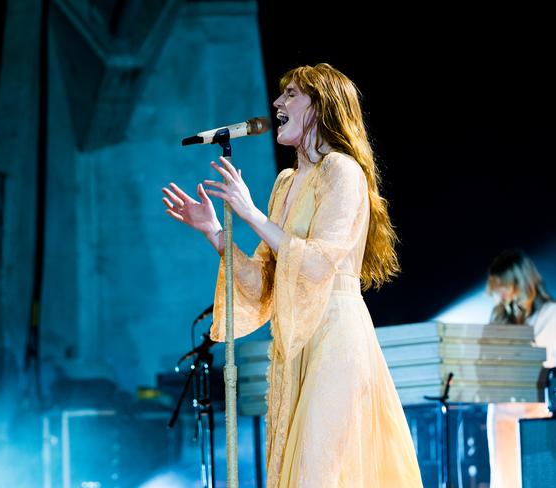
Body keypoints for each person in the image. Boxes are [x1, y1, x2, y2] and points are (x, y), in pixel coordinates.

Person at [162, 63, 423, 487]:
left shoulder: (342, 171)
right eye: (281, 95)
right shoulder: (286, 182)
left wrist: (249, 212)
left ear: (320, 107)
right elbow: (264, 283)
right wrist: (215, 231)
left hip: (335, 335)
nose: (277, 102)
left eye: (292, 95)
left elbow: (320, 263)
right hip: (293, 340)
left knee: (317, 470)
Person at [485, 249, 555, 488]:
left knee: (535, 477)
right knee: (505, 479)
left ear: (520, 282)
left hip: (533, 412)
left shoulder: (549, 314)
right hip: (502, 412)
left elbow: (546, 360)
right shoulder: (499, 318)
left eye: (504, 285)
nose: (500, 293)